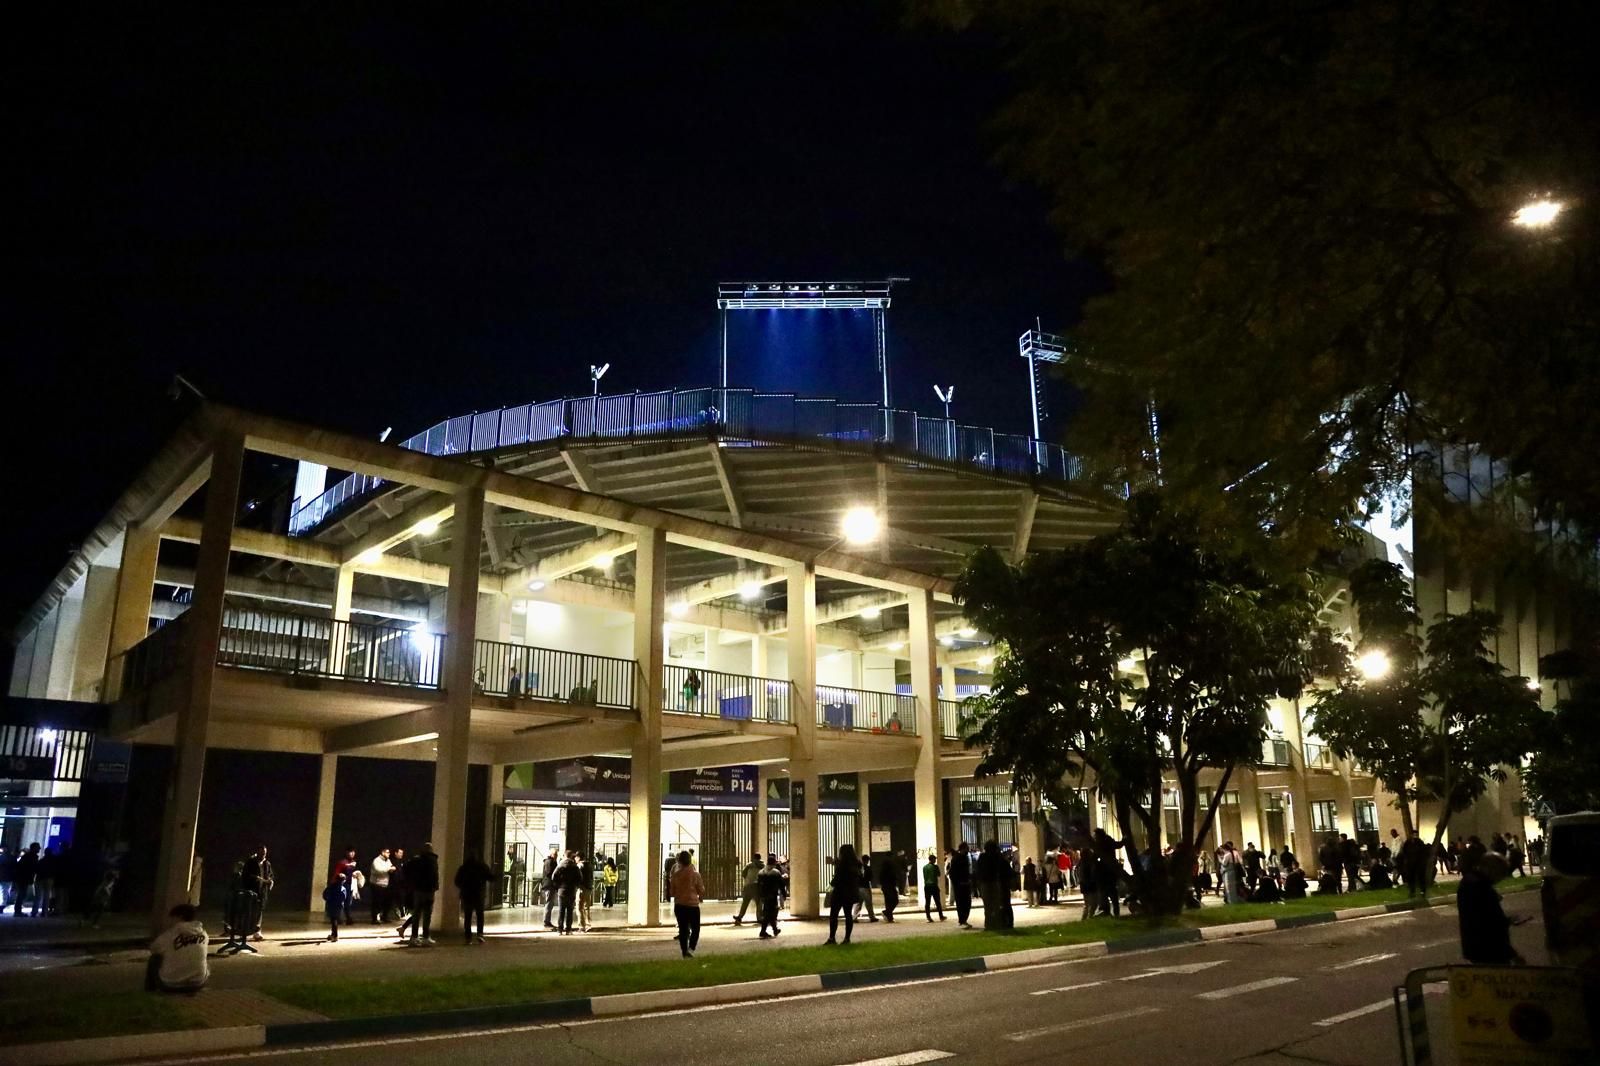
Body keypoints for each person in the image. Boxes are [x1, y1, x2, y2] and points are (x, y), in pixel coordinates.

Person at [1457, 852, 1523, 964]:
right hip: (1489, 951)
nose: (1499, 879)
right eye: (1500, 873)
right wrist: (1511, 954)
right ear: (1490, 868)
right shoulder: (1480, 887)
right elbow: (1490, 925)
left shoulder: (1471, 882)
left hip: (1476, 948)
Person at [147, 904, 209, 992]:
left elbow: (153, 949)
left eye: (171, 918)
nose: (170, 921)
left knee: (154, 959)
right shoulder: (203, 934)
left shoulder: (170, 934)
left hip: (170, 985)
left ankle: (150, 990)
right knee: (201, 958)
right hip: (197, 983)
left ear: (179, 917)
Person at [399, 842, 439, 946]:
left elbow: (405, 869)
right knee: (427, 915)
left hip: (418, 890)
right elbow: (435, 876)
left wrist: (411, 882)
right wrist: (435, 887)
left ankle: (414, 937)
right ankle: (425, 937)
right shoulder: (433, 860)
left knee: (417, 914)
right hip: (429, 890)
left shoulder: (416, 860)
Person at [668, 850, 704, 958]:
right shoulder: (696, 875)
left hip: (679, 905)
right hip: (692, 905)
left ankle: (684, 952)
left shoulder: (675, 875)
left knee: (683, 930)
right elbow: (701, 890)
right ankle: (691, 949)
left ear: (679, 861)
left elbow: (672, 892)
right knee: (695, 929)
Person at [455, 848, 493, 945]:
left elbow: (457, 881)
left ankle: (468, 938)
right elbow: (490, 877)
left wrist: (463, 887)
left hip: (467, 895)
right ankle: (480, 934)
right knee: (480, 915)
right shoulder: (482, 866)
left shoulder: (464, 868)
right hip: (479, 894)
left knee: (468, 916)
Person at [826, 843, 861, 945]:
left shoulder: (842, 865)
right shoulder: (856, 864)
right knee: (848, 915)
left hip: (839, 893)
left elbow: (837, 879)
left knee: (834, 915)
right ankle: (847, 938)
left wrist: (830, 885)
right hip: (850, 893)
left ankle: (832, 938)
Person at [976, 840, 1013, 930]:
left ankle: (989, 924)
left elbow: (978, 870)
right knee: (996, 905)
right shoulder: (997, 857)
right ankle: (996, 923)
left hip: (986, 883)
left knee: (988, 906)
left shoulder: (983, 857)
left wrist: (978, 883)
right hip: (994, 882)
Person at [756, 854, 784, 939]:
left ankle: (774, 929)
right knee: (770, 913)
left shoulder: (761, 872)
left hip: (764, 896)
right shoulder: (776, 872)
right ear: (774, 863)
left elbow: (758, 885)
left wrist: (760, 895)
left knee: (769, 913)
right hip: (772, 896)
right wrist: (784, 893)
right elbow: (781, 884)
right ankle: (763, 931)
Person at [948, 843, 974, 927]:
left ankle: (963, 920)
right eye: (967, 848)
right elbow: (953, 872)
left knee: (965, 903)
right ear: (963, 849)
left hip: (964, 883)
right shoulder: (957, 858)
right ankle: (962, 920)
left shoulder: (963, 858)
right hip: (960, 884)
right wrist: (958, 883)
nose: (968, 850)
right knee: (963, 903)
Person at [733, 854, 763, 924]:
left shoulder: (749, 865)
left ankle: (740, 917)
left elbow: (743, 874)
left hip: (748, 886)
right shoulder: (763, 866)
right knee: (759, 903)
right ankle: (759, 918)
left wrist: (748, 879)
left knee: (745, 902)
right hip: (758, 887)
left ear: (753, 858)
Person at [13, 843, 39, 916]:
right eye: (38, 848)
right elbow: (33, 868)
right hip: (24, 878)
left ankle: (17, 911)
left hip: (22, 878)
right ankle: (17, 911)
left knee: (21, 894)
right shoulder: (32, 857)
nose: (39, 849)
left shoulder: (27, 856)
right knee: (21, 894)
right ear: (34, 848)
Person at [369, 847, 394, 923]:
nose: (389, 854)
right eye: (387, 852)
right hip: (377, 884)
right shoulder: (376, 860)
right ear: (383, 853)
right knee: (376, 902)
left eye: (389, 852)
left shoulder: (388, 861)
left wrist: (391, 869)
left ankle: (384, 917)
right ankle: (374, 919)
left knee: (386, 901)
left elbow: (390, 867)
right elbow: (378, 870)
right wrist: (388, 869)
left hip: (385, 884)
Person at [922, 852, 947, 922]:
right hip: (934, 886)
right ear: (932, 860)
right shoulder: (935, 867)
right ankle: (941, 916)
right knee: (937, 902)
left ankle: (928, 917)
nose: (935, 861)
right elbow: (939, 874)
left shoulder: (924, 867)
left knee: (927, 902)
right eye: (935, 859)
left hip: (926, 886)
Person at [878, 850, 901, 923]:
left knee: (888, 901)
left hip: (885, 885)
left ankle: (889, 916)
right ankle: (887, 912)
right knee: (895, 900)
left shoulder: (884, 863)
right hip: (890, 885)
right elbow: (893, 874)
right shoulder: (890, 863)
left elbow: (881, 874)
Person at [322, 874, 345, 942]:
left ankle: (334, 935)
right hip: (338, 905)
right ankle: (334, 935)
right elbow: (343, 897)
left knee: (333, 920)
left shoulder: (331, 886)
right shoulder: (342, 888)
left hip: (331, 905)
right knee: (335, 920)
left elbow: (325, 894)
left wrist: (328, 900)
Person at [542, 848, 560, 929]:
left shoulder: (550, 861)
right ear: (551, 854)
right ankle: (546, 922)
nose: (556, 856)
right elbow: (550, 873)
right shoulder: (550, 862)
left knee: (550, 904)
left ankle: (547, 921)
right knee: (549, 904)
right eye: (555, 854)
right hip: (549, 885)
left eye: (556, 854)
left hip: (549, 885)